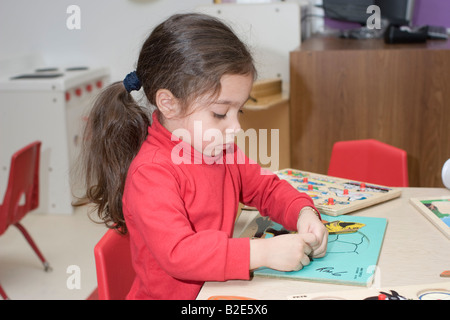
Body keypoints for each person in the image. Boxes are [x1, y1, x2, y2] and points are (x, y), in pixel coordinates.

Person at [78, 13, 327, 300]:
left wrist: (303, 213)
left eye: (239, 111)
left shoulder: (219, 148)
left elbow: (264, 188)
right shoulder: (151, 172)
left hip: (215, 290)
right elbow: (180, 253)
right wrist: (262, 252)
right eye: (220, 113)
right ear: (168, 104)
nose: (235, 128)